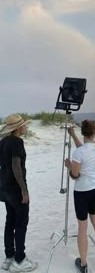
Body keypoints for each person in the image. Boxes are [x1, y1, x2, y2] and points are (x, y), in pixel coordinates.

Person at [64, 120, 95, 273]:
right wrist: (73, 135)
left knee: (82, 227)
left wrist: (69, 165)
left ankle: (83, 264)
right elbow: (84, 148)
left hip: (82, 191)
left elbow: (75, 176)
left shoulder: (79, 153)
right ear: (94, 131)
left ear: (83, 131)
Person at [0, 114, 38, 272]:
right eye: (24, 125)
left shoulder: (3, 142)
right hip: (15, 189)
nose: (25, 127)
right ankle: (20, 260)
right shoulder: (17, 142)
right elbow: (16, 167)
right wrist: (24, 190)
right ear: (18, 128)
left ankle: (9, 257)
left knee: (10, 221)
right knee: (21, 223)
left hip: (4, 188)